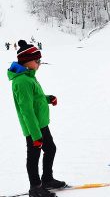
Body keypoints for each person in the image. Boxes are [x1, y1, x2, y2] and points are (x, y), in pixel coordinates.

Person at [7, 40, 66, 197]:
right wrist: (35, 135)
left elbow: (36, 99)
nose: (39, 63)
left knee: (50, 149)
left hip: (41, 124)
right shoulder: (22, 81)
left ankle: (47, 179)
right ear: (27, 62)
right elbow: (26, 110)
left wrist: (48, 98)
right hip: (33, 127)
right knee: (34, 156)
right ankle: (35, 187)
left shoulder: (29, 76)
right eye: (37, 60)